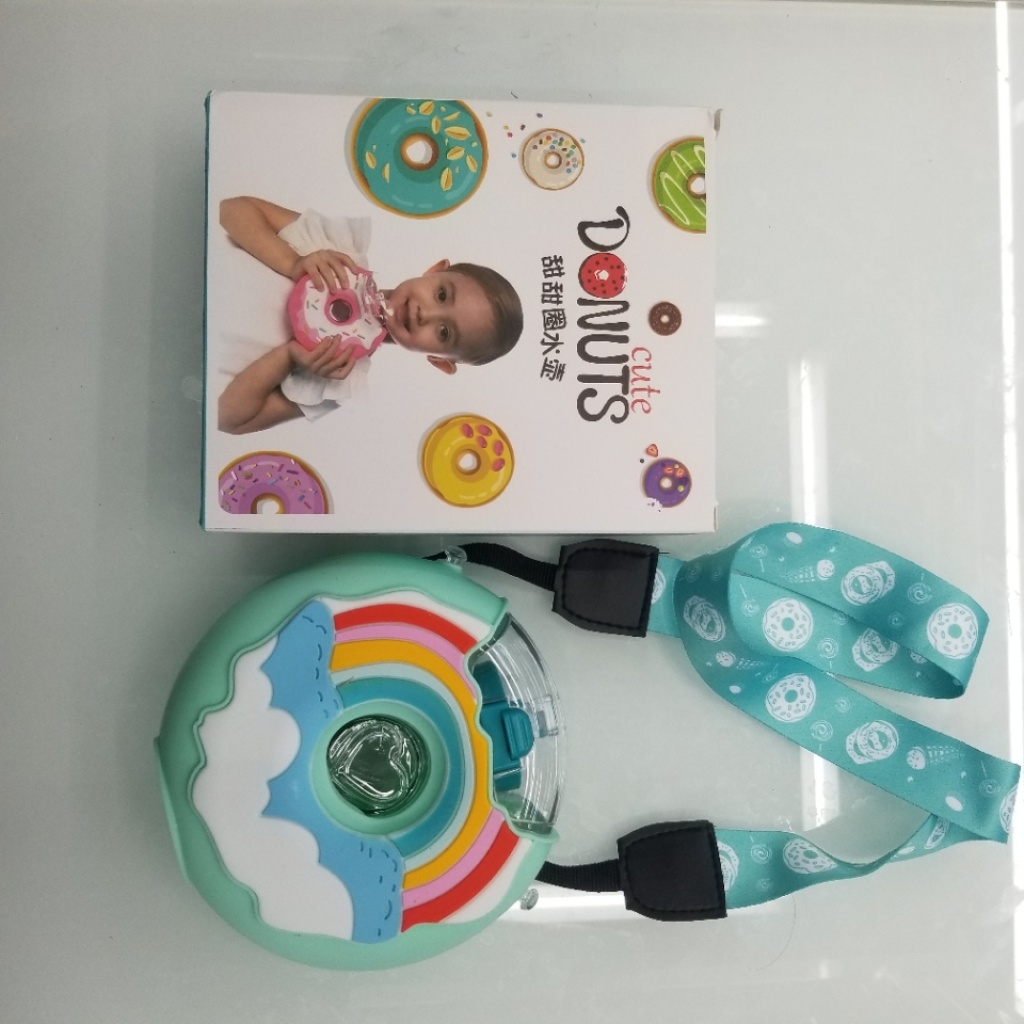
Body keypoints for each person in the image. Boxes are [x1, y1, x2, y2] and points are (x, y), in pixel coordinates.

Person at [217, 196, 523, 434]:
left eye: (444, 332)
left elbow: (229, 418)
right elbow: (230, 210)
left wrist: (288, 358)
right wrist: (294, 262)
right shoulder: (337, 248)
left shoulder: (339, 378)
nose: (425, 313)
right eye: (442, 294)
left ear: (438, 360)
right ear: (434, 270)